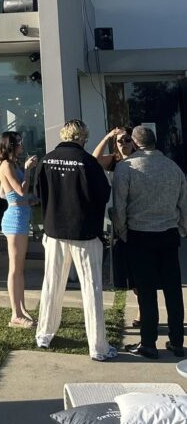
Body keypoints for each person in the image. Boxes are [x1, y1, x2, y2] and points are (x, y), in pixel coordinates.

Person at [35, 118, 117, 361]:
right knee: (91, 288)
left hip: (54, 230)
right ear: (82, 137)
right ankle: (98, 347)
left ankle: (44, 334)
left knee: (51, 284)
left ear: (63, 135)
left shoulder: (47, 160)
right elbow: (103, 194)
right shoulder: (88, 162)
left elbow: (39, 193)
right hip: (84, 232)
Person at [113, 124, 187, 360]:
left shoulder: (127, 168)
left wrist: (122, 232)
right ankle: (177, 341)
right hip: (168, 234)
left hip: (140, 234)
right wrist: (182, 227)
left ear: (135, 143)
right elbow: (183, 203)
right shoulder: (173, 167)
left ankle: (148, 343)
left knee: (146, 292)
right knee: (173, 291)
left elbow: (119, 205)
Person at [92, 125, 140, 323]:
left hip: (138, 217)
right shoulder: (115, 160)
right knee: (129, 270)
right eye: (120, 141)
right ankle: (142, 307)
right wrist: (107, 137)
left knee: (140, 267)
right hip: (121, 219)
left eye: (127, 140)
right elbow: (94, 160)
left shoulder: (140, 159)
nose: (123, 144)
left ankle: (143, 310)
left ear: (134, 142)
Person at [0, 132, 38, 328]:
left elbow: (2, 193)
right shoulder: (7, 165)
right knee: (14, 268)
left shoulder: (11, 165)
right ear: (12, 145)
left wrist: (28, 200)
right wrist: (28, 171)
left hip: (20, 216)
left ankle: (21, 309)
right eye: (19, 142)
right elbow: (21, 190)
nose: (22, 145)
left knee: (20, 268)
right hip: (15, 220)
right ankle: (15, 314)